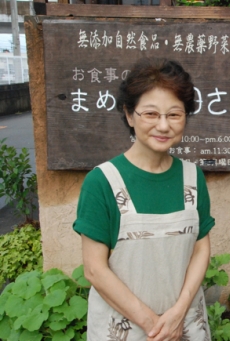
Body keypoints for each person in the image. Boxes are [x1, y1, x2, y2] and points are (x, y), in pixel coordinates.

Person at [73, 58, 215, 341]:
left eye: (174, 114)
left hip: (185, 322)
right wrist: (153, 324)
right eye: (150, 114)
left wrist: (178, 313)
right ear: (129, 115)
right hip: (127, 329)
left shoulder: (192, 177)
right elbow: (94, 269)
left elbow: (201, 250)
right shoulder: (102, 182)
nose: (163, 125)